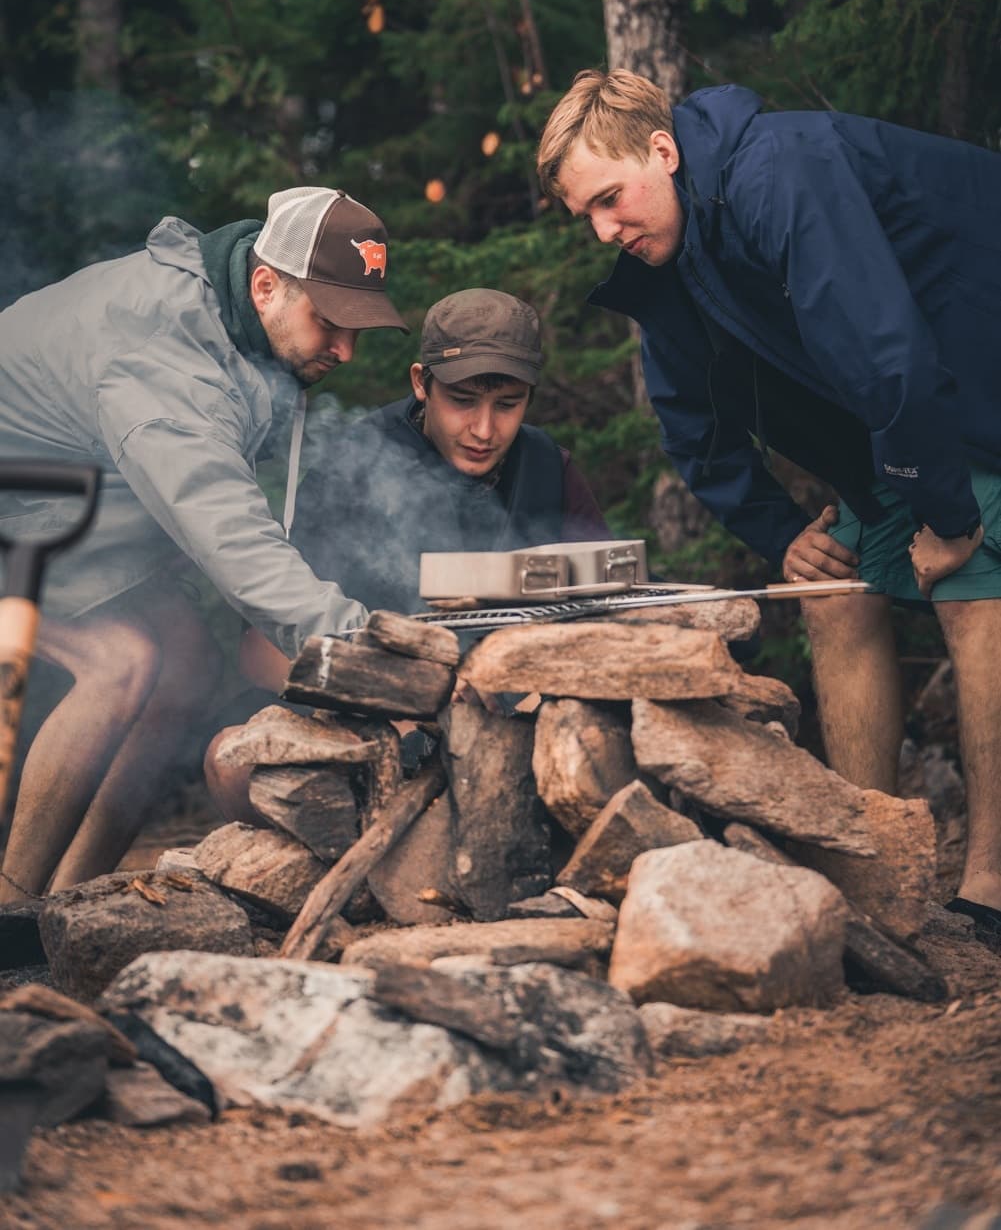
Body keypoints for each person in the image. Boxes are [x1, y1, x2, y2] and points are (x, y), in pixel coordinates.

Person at [537, 66, 1001, 936]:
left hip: (975, 389)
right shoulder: (666, 258)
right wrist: (782, 531)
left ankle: (989, 884)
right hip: (900, 421)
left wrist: (945, 516)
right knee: (830, 595)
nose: (604, 230)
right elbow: (691, 429)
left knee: (970, 587)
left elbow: (884, 347)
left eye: (609, 198)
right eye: (585, 217)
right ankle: (869, 863)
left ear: (663, 152)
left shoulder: (775, 168)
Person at [0, 185, 407, 900]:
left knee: (185, 661)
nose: (345, 348)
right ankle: (11, 905)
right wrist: (370, 652)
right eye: (331, 321)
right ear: (264, 284)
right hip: (23, 505)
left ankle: (67, 900)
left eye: (360, 328)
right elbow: (232, 542)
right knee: (121, 661)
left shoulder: (235, 327)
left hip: (44, 503)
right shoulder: (163, 350)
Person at [205, 286, 610, 820]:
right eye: (462, 401)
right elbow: (261, 651)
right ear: (422, 383)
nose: (484, 430)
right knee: (230, 761)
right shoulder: (356, 467)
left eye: (507, 405)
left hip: (517, 727)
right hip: (369, 724)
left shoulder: (547, 471)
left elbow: (609, 615)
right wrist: (396, 699)